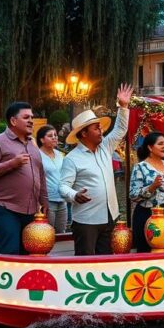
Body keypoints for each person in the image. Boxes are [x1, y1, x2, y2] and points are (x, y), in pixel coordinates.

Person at [60, 84, 133, 256]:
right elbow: (62, 186)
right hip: (86, 219)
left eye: (100, 127)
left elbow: (120, 129)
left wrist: (123, 107)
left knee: (106, 259)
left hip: (110, 215)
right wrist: (74, 195)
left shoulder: (106, 147)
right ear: (84, 134)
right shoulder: (72, 158)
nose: (101, 130)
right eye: (96, 128)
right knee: (85, 261)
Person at [0, 101, 50, 255]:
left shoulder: (32, 144)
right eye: (26, 117)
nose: (31, 120)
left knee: (29, 253)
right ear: (13, 121)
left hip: (30, 210)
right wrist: (12, 163)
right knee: (9, 253)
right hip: (4, 208)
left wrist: (44, 200)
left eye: (32, 117)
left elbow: (40, 174)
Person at [36, 124, 68, 235]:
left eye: (55, 135)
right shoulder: (37, 155)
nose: (54, 137)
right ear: (42, 139)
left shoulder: (60, 154)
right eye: (50, 136)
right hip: (47, 200)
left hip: (62, 199)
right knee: (47, 234)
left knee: (61, 232)